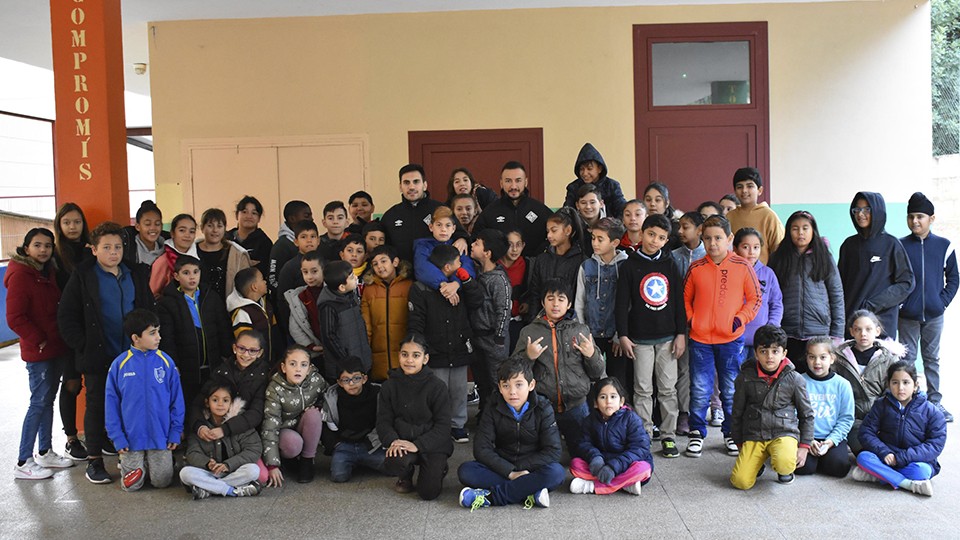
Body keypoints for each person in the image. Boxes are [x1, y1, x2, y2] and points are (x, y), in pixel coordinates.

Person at [57, 221, 157, 484]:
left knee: (129, 405)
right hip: (98, 355)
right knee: (96, 406)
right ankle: (94, 461)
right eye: (107, 247)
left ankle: (127, 452)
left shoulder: (133, 273)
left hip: (132, 356)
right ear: (94, 250)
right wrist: (83, 345)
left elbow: (147, 309)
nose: (114, 252)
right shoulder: (83, 276)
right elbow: (66, 316)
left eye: (118, 247)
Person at [683, 215, 762, 458]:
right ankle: (696, 432)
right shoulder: (695, 267)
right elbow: (685, 298)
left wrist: (740, 319)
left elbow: (755, 298)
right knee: (699, 387)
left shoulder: (742, 266)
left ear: (728, 239)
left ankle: (730, 433)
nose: (713, 243)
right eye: (707, 238)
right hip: (700, 340)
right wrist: (691, 320)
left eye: (718, 238)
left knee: (730, 389)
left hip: (731, 339)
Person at [616, 214, 686, 458]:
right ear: (642, 233)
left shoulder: (670, 264)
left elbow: (678, 302)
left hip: (668, 338)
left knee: (668, 389)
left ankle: (668, 435)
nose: (655, 241)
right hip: (639, 339)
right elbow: (621, 303)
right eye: (651, 235)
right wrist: (623, 335)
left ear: (667, 241)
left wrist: (681, 334)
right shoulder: (629, 265)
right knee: (643, 389)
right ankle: (644, 435)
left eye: (662, 238)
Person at [7, 228, 75, 479]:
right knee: (38, 402)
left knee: (47, 401)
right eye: (37, 245)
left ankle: (45, 452)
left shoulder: (49, 272)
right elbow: (15, 317)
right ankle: (23, 461)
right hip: (40, 350)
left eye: (48, 245)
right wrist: (40, 339)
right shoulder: (21, 275)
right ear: (26, 249)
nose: (43, 250)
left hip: (55, 347)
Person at [511, 278, 604, 457]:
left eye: (561, 299)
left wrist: (591, 354)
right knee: (546, 455)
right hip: (543, 405)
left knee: (583, 454)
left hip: (577, 405)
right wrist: (527, 357)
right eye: (550, 298)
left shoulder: (581, 330)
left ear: (569, 303)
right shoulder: (529, 332)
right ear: (542, 302)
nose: (555, 303)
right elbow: (515, 372)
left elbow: (597, 372)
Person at [457, 359, 563, 509]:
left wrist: (519, 469)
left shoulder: (543, 407)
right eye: (506, 386)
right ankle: (529, 491)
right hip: (503, 464)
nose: (512, 392)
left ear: (531, 385)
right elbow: (481, 449)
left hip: (532, 465)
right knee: (466, 471)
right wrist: (511, 472)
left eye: (519, 385)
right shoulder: (493, 406)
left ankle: (491, 497)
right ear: (499, 388)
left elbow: (553, 451)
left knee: (556, 473)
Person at [408, 244, 483, 443]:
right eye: (459, 263)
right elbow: (416, 321)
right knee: (436, 390)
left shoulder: (461, 283)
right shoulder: (420, 288)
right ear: (448, 266)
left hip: (459, 345)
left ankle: (458, 425)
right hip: (435, 348)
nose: (462, 266)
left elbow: (477, 300)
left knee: (458, 390)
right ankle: (437, 426)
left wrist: (465, 280)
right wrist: (419, 349)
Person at [105, 309, 185, 492]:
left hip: (161, 437)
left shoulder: (166, 362)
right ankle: (136, 464)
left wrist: (175, 431)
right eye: (152, 333)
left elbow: (177, 400)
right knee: (132, 486)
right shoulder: (119, 365)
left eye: (158, 331)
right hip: (131, 439)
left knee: (162, 483)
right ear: (135, 338)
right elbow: (111, 405)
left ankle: (160, 463)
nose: (158, 337)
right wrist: (117, 436)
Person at [729, 325, 814, 489]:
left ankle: (784, 470)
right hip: (755, 434)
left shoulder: (794, 379)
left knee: (785, 463)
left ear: (784, 354)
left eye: (775, 351)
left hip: (783, 432)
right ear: (755, 353)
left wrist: (804, 446)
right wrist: (739, 443)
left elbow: (807, 415)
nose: (769, 356)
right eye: (763, 351)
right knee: (740, 482)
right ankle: (757, 463)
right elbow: (737, 412)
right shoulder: (745, 378)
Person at [898, 192, 958, 422]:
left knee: (932, 359)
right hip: (907, 316)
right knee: (907, 359)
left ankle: (935, 403)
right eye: (911, 216)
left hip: (934, 315)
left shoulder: (944, 246)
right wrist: (902, 304)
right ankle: (908, 402)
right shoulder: (900, 246)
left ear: (931, 218)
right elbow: (894, 278)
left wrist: (940, 302)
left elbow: (954, 278)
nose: (915, 221)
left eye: (920, 216)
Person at [851, 361, 946, 497]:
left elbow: (934, 445)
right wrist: (884, 452)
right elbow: (866, 432)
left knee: (922, 471)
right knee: (863, 458)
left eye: (906, 382)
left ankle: (878, 476)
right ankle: (907, 484)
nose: (900, 388)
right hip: (886, 457)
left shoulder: (932, 412)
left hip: (913, 461)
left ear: (915, 385)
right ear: (889, 384)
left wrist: (902, 457)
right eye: (895, 383)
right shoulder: (881, 405)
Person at [189, 330, 272, 485]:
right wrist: (199, 426)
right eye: (242, 348)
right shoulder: (222, 371)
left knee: (261, 476)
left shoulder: (263, 376)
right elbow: (198, 403)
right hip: (215, 438)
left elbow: (256, 413)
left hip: (244, 435)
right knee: (186, 473)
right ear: (234, 348)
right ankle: (228, 485)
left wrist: (225, 429)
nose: (246, 354)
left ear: (260, 353)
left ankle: (211, 486)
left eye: (252, 351)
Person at [377, 334, 453, 500]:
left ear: (425, 359)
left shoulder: (437, 387)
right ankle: (405, 475)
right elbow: (383, 421)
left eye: (415, 355)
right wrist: (393, 441)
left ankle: (440, 468)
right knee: (394, 461)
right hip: (403, 441)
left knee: (428, 493)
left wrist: (418, 445)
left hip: (432, 444)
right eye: (404, 354)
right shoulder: (389, 386)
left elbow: (443, 426)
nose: (409, 360)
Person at [768, 210, 845, 373]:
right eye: (795, 228)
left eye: (805, 228)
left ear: (813, 230)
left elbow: (836, 295)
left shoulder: (824, 257)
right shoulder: (779, 257)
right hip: (787, 331)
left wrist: (837, 334)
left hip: (818, 332)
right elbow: (771, 295)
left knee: (816, 378)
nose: (800, 233)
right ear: (788, 231)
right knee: (789, 378)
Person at [157, 255, 233, 408]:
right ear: (176, 276)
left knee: (211, 403)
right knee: (188, 404)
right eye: (186, 273)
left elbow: (223, 328)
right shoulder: (167, 303)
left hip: (213, 365)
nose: (192, 277)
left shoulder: (211, 297)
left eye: (195, 272)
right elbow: (167, 338)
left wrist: (228, 356)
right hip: (186, 368)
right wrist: (174, 364)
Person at [838, 191, 915, 340]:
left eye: (867, 209)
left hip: (882, 323)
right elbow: (840, 285)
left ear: (877, 211)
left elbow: (906, 283)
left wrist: (873, 304)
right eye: (857, 210)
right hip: (852, 323)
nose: (861, 214)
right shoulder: (849, 245)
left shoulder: (892, 244)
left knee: (880, 362)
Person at [834, 310, 905, 453]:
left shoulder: (889, 359)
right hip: (853, 420)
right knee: (866, 450)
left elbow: (894, 392)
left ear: (877, 331)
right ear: (851, 332)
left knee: (894, 448)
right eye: (858, 329)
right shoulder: (838, 358)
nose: (863, 334)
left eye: (868, 329)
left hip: (882, 418)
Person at [179, 380, 263, 499]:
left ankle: (208, 489)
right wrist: (207, 463)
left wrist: (229, 465)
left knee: (253, 470)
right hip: (209, 472)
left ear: (231, 403)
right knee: (185, 473)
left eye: (225, 400)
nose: (220, 404)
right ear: (207, 403)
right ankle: (231, 491)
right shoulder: (201, 425)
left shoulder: (239, 423)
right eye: (215, 400)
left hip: (233, 471)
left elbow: (253, 449)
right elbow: (192, 452)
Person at [569, 378, 654, 495]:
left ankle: (591, 486)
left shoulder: (631, 419)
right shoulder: (590, 420)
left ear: (621, 401)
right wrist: (595, 458)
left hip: (625, 463)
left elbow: (640, 448)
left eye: (613, 397)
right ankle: (625, 485)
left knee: (643, 469)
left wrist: (614, 467)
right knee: (575, 464)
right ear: (595, 403)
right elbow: (583, 443)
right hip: (601, 463)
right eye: (603, 397)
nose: (608, 401)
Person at [261, 346, 328, 486]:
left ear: (309, 368)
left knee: (314, 414)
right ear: (284, 367)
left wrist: (320, 406)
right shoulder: (275, 388)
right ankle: (288, 460)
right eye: (293, 364)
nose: (298, 369)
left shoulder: (316, 380)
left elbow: (329, 396)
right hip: (285, 431)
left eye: (303, 365)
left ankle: (307, 462)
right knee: (292, 444)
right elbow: (270, 427)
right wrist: (272, 465)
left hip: (306, 427)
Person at [576, 217, 628, 391]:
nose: (595, 243)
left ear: (614, 242)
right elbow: (579, 302)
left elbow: (629, 304)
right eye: (593, 238)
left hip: (616, 336)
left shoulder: (625, 266)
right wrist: (583, 333)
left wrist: (620, 334)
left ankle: (618, 414)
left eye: (600, 239)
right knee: (592, 378)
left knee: (617, 380)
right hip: (591, 334)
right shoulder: (586, 266)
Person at [320, 357, 386, 482]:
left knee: (391, 468)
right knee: (338, 476)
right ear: (339, 382)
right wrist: (335, 444)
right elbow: (326, 426)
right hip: (344, 445)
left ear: (364, 379)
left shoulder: (377, 394)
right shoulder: (332, 398)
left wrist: (372, 443)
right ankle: (353, 461)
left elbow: (384, 422)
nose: (351, 383)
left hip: (371, 445)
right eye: (346, 380)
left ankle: (363, 461)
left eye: (356, 378)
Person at [796, 337, 854, 477]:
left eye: (823, 357)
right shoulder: (799, 381)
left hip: (831, 438)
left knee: (839, 468)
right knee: (802, 468)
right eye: (812, 357)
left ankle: (824, 458)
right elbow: (792, 415)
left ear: (832, 358)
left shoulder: (843, 384)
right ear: (806, 358)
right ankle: (815, 460)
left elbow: (846, 418)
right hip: (806, 437)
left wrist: (830, 442)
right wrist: (807, 440)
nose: (817, 362)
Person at [469, 229, 513, 414]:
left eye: (477, 243)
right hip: (476, 337)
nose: (472, 245)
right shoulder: (476, 272)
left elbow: (503, 310)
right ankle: (485, 412)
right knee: (481, 380)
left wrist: (499, 337)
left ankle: (500, 416)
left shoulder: (499, 280)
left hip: (494, 340)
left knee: (497, 381)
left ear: (487, 253)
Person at [382, 163, 463, 263]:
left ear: (425, 185)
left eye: (416, 182)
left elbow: (459, 233)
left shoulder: (440, 209)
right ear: (400, 187)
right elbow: (384, 248)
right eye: (406, 182)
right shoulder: (390, 216)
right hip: (401, 275)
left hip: (435, 272)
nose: (411, 187)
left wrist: (462, 239)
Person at [473, 161, 552, 257]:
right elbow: (475, 241)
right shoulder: (489, 213)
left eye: (518, 180)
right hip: (501, 269)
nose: (513, 186)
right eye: (508, 181)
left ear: (525, 182)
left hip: (534, 269)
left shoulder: (540, 210)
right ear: (501, 183)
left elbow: (558, 235)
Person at [361, 245, 412, 382]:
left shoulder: (409, 286)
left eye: (383, 261)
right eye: (375, 264)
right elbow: (366, 325)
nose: (379, 267)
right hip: (378, 358)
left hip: (405, 357)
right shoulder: (369, 290)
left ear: (395, 262)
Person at [525, 208, 587, 319]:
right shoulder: (542, 259)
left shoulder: (582, 261)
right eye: (548, 231)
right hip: (543, 321)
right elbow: (535, 293)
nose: (549, 235)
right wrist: (533, 321)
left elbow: (581, 297)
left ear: (568, 230)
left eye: (554, 230)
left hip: (570, 321)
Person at [317, 260, 373, 381]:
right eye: (352, 277)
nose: (356, 277)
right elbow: (329, 337)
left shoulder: (351, 296)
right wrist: (345, 361)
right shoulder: (328, 306)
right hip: (344, 369)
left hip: (360, 359)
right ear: (342, 287)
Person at [734, 228, 783, 362]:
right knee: (735, 378)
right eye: (745, 247)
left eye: (756, 247)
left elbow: (776, 303)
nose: (751, 252)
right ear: (735, 248)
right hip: (736, 339)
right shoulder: (730, 272)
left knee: (758, 379)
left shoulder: (768, 273)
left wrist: (771, 328)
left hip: (762, 341)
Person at [725, 167, 784, 264]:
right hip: (735, 273)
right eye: (739, 187)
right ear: (735, 191)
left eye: (750, 186)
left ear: (759, 190)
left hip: (761, 275)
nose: (744, 190)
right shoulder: (730, 216)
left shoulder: (769, 216)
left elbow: (778, 250)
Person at [413, 206, 477, 293]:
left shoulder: (457, 245)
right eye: (439, 225)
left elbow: (468, 265)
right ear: (431, 227)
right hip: (432, 291)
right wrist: (443, 284)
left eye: (448, 225)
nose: (443, 229)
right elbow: (422, 267)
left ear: (453, 229)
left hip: (457, 291)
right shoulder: (423, 246)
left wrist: (456, 283)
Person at [227, 267, 280, 364]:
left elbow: (275, 331)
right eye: (262, 279)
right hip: (254, 367)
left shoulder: (266, 304)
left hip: (272, 362)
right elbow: (244, 346)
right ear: (254, 287)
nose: (265, 282)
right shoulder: (242, 313)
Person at [563, 143, 627, 220]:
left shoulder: (612, 186)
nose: (585, 173)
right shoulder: (573, 187)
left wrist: (612, 228)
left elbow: (623, 211)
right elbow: (567, 213)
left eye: (589, 168)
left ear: (599, 169)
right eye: (581, 169)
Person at [276, 220, 321, 328]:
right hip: (298, 326)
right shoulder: (289, 268)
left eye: (313, 236)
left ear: (318, 240)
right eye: (304, 237)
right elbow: (282, 301)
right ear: (296, 241)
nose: (309, 240)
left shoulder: (325, 264)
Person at [284, 250, 325, 364]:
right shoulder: (300, 297)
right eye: (305, 272)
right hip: (315, 352)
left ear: (324, 270)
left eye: (314, 271)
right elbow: (295, 327)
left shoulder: (333, 292)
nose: (309, 276)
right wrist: (311, 346)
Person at [500, 229, 535, 354]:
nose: (514, 249)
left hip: (518, 320)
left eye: (518, 244)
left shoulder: (528, 264)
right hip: (499, 322)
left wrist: (527, 302)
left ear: (523, 245)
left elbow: (532, 289)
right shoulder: (495, 264)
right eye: (510, 244)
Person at [150, 213, 199, 298]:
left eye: (192, 231)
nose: (187, 235)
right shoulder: (164, 261)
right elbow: (153, 293)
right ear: (172, 233)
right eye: (182, 230)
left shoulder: (199, 257)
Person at [269, 200, 312, 293]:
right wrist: (286, 297)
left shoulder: (311, 244)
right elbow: (272, 280)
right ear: (292, 219)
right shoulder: (282, 246)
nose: (312, 219)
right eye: (307, 216)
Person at [227, 195, 273, 280]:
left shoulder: (265, 243)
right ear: (237, 215)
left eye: (254, 213)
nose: (249, 216)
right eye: (244, 212)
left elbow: (263, 272)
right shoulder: (226, 239)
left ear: (259, 218)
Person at [52, 202, 93, 290]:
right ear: (59, 225)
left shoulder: (93, 249)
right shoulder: (54, 254)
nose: (72, 227)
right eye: (66, 223)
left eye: (77, 222)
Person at [121, 200, 167, 269]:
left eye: (157, 224)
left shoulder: (168, 248)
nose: (153, 228)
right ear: (137, 227)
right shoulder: (127, 246)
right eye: (147, 224)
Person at [642, 182, 682, 251]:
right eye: (648, 200)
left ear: (667, 203)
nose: (652, 204)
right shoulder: (640, 224)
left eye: (657, 200)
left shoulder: (677, 228)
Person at [672, 211, 705, 279]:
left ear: (700, 230)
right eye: (679, 227)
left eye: (685, 227)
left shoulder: (708, 255)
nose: (679, 231)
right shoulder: (673, 255)